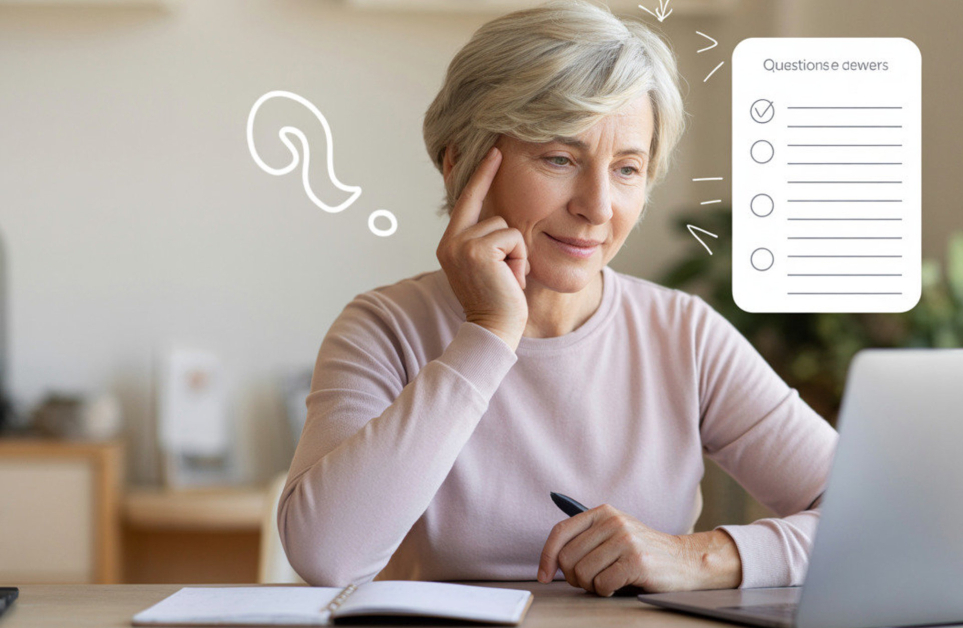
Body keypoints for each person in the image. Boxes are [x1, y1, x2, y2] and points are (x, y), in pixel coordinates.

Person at [277, 0, 837, 597]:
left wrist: (696, 558)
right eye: (560, 158)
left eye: (627, 169)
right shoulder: (384, 329)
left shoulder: (684, 335)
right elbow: (327, 557)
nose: (597, 207)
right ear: (460, 166)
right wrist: (488, 333)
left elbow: (879, 518)